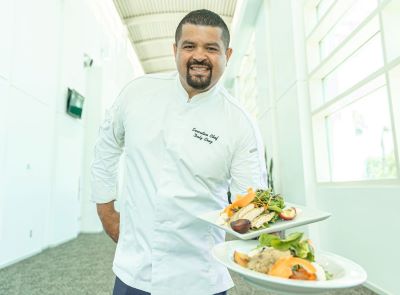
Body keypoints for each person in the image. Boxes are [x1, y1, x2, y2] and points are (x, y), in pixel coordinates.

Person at [91, 9, 267, 295]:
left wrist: (271, 237)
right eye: (189, 46)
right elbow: (107, 147)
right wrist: (105, 210)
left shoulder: (240, 123)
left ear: (228, 54)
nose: (199, 56)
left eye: (211, 48)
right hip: (135, 269)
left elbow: (251, 200)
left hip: (200, 273)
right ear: (175, 50)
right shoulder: (137, 93)